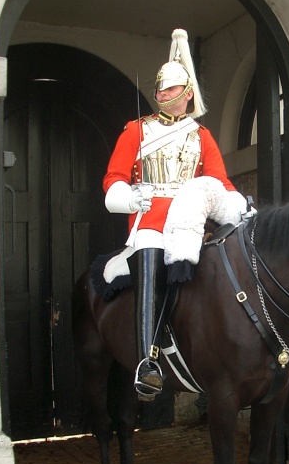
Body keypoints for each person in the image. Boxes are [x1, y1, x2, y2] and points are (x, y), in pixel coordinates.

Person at [103, 29, 248, 402]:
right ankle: (147, 359)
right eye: (161, 90)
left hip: (192, 220)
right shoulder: (136, 131)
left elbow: (219, 181)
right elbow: (113, 179)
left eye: (171, 90)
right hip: (150, 220)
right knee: (152, 255)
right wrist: (132, 198)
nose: (164, 95)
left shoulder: (202, 137)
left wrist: (238, 205)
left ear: (187, 95)